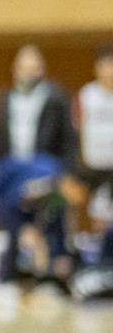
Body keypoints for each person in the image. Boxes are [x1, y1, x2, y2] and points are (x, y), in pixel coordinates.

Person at [0, 45, 74, 292]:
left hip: (41, 164)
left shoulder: (55, 97)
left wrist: (68, 172)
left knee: (52, 199)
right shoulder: (6, 98)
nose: (29, 73)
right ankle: (16, 258)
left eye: (34, 68)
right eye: (24, 68)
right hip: (12, 165)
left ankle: (51, 265)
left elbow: (68, 138)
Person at [71, 48, 113, 299]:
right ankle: (91, 267)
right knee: (94, 217)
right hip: (91, 169)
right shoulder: (86, 95)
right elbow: (74, 132)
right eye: (105, 65)